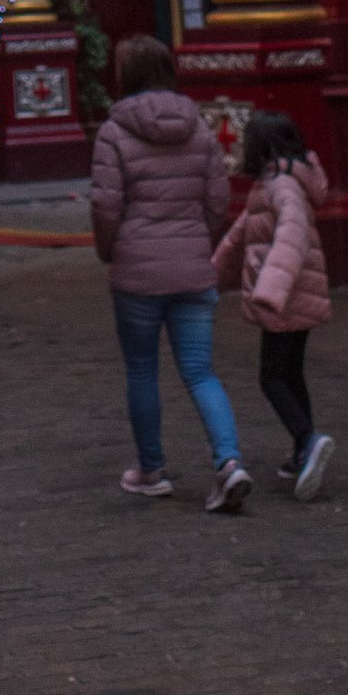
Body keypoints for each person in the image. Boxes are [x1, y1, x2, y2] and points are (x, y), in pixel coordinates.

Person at [88, 33, 248, 511]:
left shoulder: (113, 133)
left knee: (142, 370)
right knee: (200, 371)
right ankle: (229, 462)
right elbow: (218, 198)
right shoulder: (199, 130)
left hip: (137, 270)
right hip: (193, 268)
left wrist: (109, 250)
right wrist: (196, 239)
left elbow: (105, 205)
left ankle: (151, 469)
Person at [222, 111, 335, 499]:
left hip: (284, 297)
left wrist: (270, 289)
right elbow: (242, 231)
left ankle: (307, 439)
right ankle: (301, 449)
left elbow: (291, 236)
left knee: (271, 377)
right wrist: (213, 271)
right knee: (290, 373)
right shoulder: (278, 183)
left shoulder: (280, 186)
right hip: (296, 294)